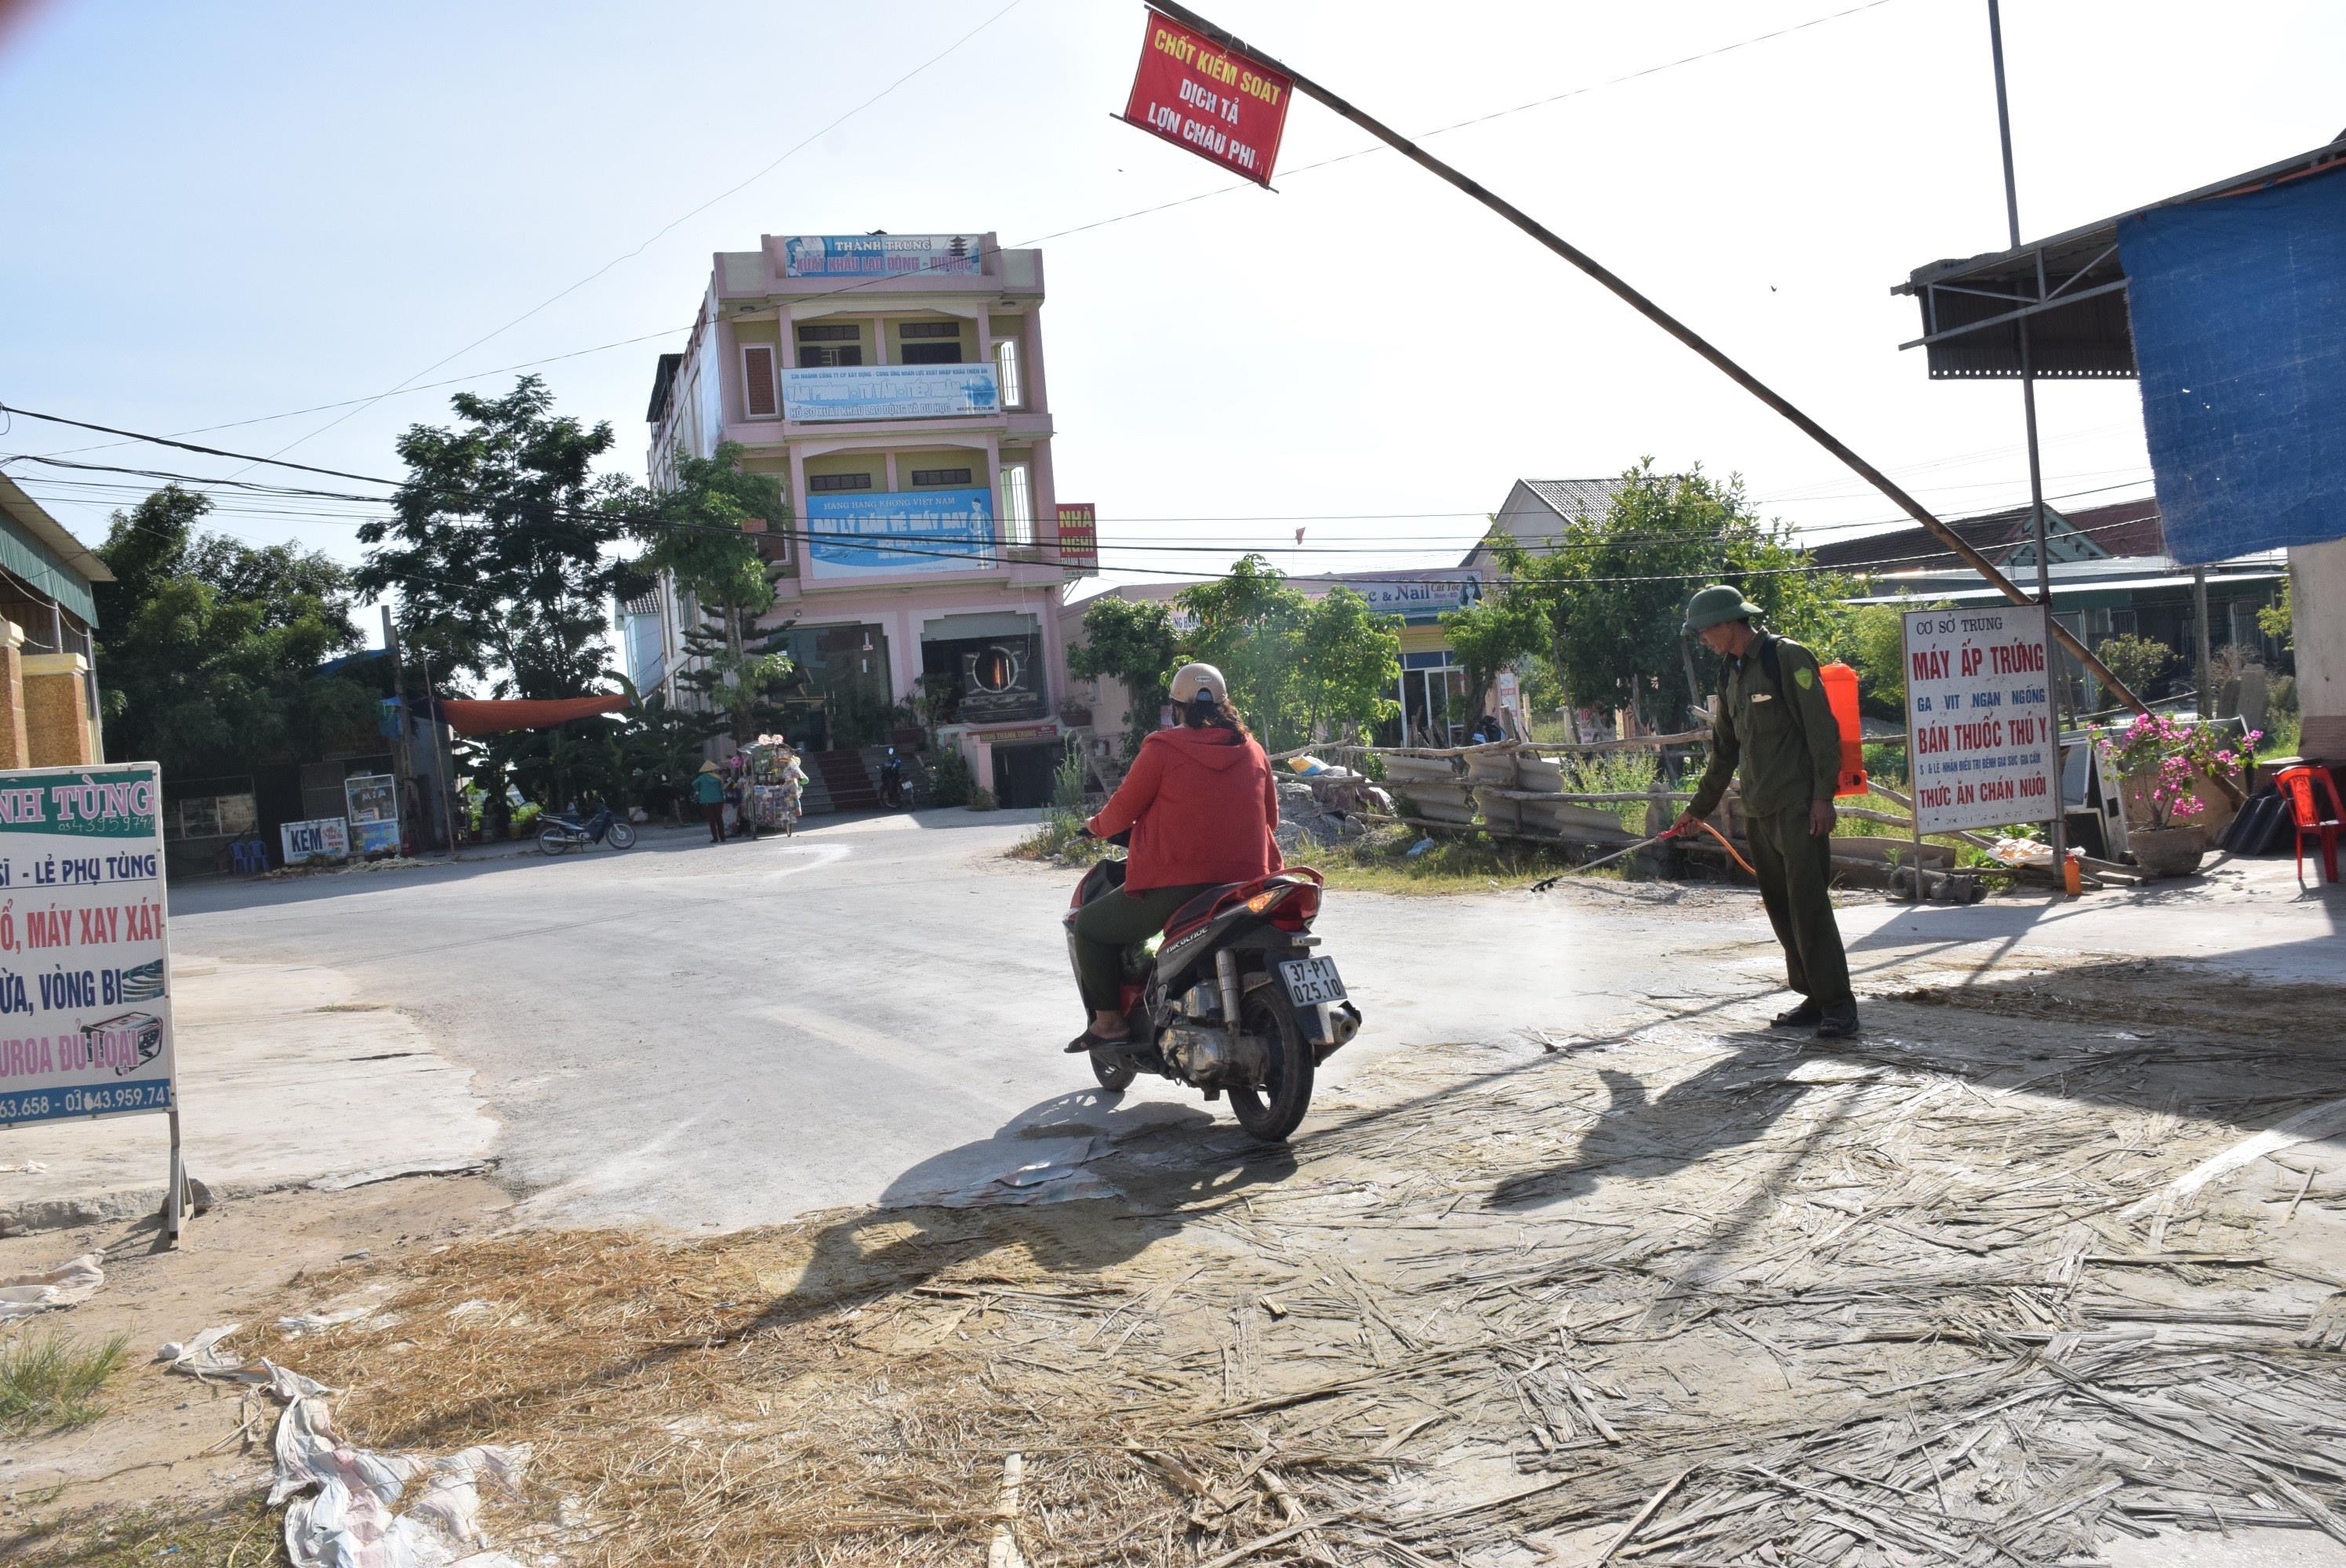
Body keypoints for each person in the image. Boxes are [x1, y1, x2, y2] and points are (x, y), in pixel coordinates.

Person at [1672, 585, 1858, 1040]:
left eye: (1703, 632)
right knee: (1781, 909)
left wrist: (1823, 798)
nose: (1702, 641)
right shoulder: (1730, 674)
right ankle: (1813, 998)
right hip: (1759, 810)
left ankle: (1839, 1005)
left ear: (1728, 623)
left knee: (1809, 907)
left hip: (1798, 808)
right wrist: (1698, 809)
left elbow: (1822, 732)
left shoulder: (1786, 658)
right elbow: (1724, 751)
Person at [1066, 662, 1280, 1054]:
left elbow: (1121, 811)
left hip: (1178, 887)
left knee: (1090, 928)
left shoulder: (1162, 749)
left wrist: (1094, 826)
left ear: (1176, 708)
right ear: (1225, 704)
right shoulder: (1253, 749)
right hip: (1248, 884)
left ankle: (1109, 1023)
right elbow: (1272, 819)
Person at [692, 760, 725, 844]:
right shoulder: (718, 778)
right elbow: (721, 789)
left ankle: (715, 838)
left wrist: (700, 790)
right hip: (718, 800)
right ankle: (723, 837)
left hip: (706, 801)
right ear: (713, 769)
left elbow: (694, 784)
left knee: (711, 820)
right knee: (719, 819)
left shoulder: (702, 778)